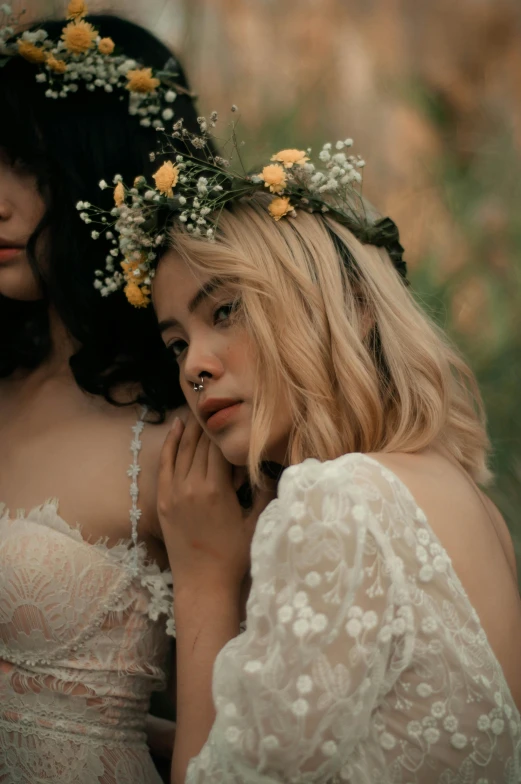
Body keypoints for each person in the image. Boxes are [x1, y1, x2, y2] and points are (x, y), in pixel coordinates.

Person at [107, 124, 521, 782]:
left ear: (351, 306)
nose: (195, 369)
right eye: (176, 343)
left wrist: (204, 582)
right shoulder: (470, 507)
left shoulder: (339, 502)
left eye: (224, 311)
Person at [0, 5, 201, 782]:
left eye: (34, 168)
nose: (1, 199)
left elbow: (240, 722)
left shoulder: (182, 429)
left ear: (105, 182)